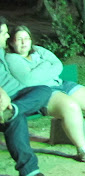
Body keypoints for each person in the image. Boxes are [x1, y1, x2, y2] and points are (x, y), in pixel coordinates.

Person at [6, 25, 85, 162]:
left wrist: (38, 70)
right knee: (71, 106)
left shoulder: (38, 50)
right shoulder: (12, 58)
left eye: (26, 38)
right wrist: (45, 65)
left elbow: (58, 65)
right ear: (11, 42)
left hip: (60, 84)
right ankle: (82, 149)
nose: (23, 42)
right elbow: (29, 80)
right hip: (41, 92)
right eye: (19, 39)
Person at [0, 17, 51, 176]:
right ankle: (30, 171)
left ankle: (14, 110)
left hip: (16, 96)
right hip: (4, 98)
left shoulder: (2, 49)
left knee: (44, 90)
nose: (7, 37)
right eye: (3, 33)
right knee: (16, 118)